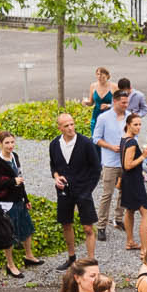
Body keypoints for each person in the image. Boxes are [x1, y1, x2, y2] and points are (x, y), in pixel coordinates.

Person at [45, 109, 100, 268]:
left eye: (72, 124)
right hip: (64, 191)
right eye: (66, 125)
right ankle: (71, 257)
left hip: (84, 190)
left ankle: (91, 261)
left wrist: (88, 189)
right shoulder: (54, 144)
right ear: (60, 128)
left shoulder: (86, 143)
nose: (70, 128)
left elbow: (96, 169)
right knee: (66, 223)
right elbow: (53, 166)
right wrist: (56, 177)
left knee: (88, 227)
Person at [0, 132, 43, 278]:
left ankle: (29, 255)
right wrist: (12, 182)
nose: (10, 145)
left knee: (27, 228)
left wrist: (26, 199)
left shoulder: (15, 156)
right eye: (7, 143)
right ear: (0, 143)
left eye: (12, 142)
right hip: (7, 203)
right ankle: (10, 264)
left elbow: (20, 177)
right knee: (9, 234)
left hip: (19, 199)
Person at [91, 90, 131, 241]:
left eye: (127, 102)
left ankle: (118, 219)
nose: (126, 105)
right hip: (110, 162)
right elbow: (96, 138)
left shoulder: (129, 117)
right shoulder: (103, 118)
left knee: (124, 191)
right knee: (107, 194)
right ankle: (101, 226)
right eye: (123, 102)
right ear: (115, 101)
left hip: (126, 161)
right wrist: (110, 146)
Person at [116, 112, 147, 250]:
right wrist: (143, 156)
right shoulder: (131, 142)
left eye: (140, 124)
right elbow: (127, 165)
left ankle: (130, 242)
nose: (138, 127)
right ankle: (144, 249)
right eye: (135, 124)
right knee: (146, 214)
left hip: (127, 181)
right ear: (128, 125)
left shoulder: (124, 139)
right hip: (134, 181)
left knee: (130, 211)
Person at [85, 67, 118, 132]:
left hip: (110, 116)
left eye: (102, 75)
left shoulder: (114, 87)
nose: (99, 77)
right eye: (98, 74)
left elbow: (120, 103)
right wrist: (86, 102)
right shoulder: (93, 86)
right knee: (95, 138)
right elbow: (91, 102)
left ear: (107, 76)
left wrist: (109, 105)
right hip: (96, 115)